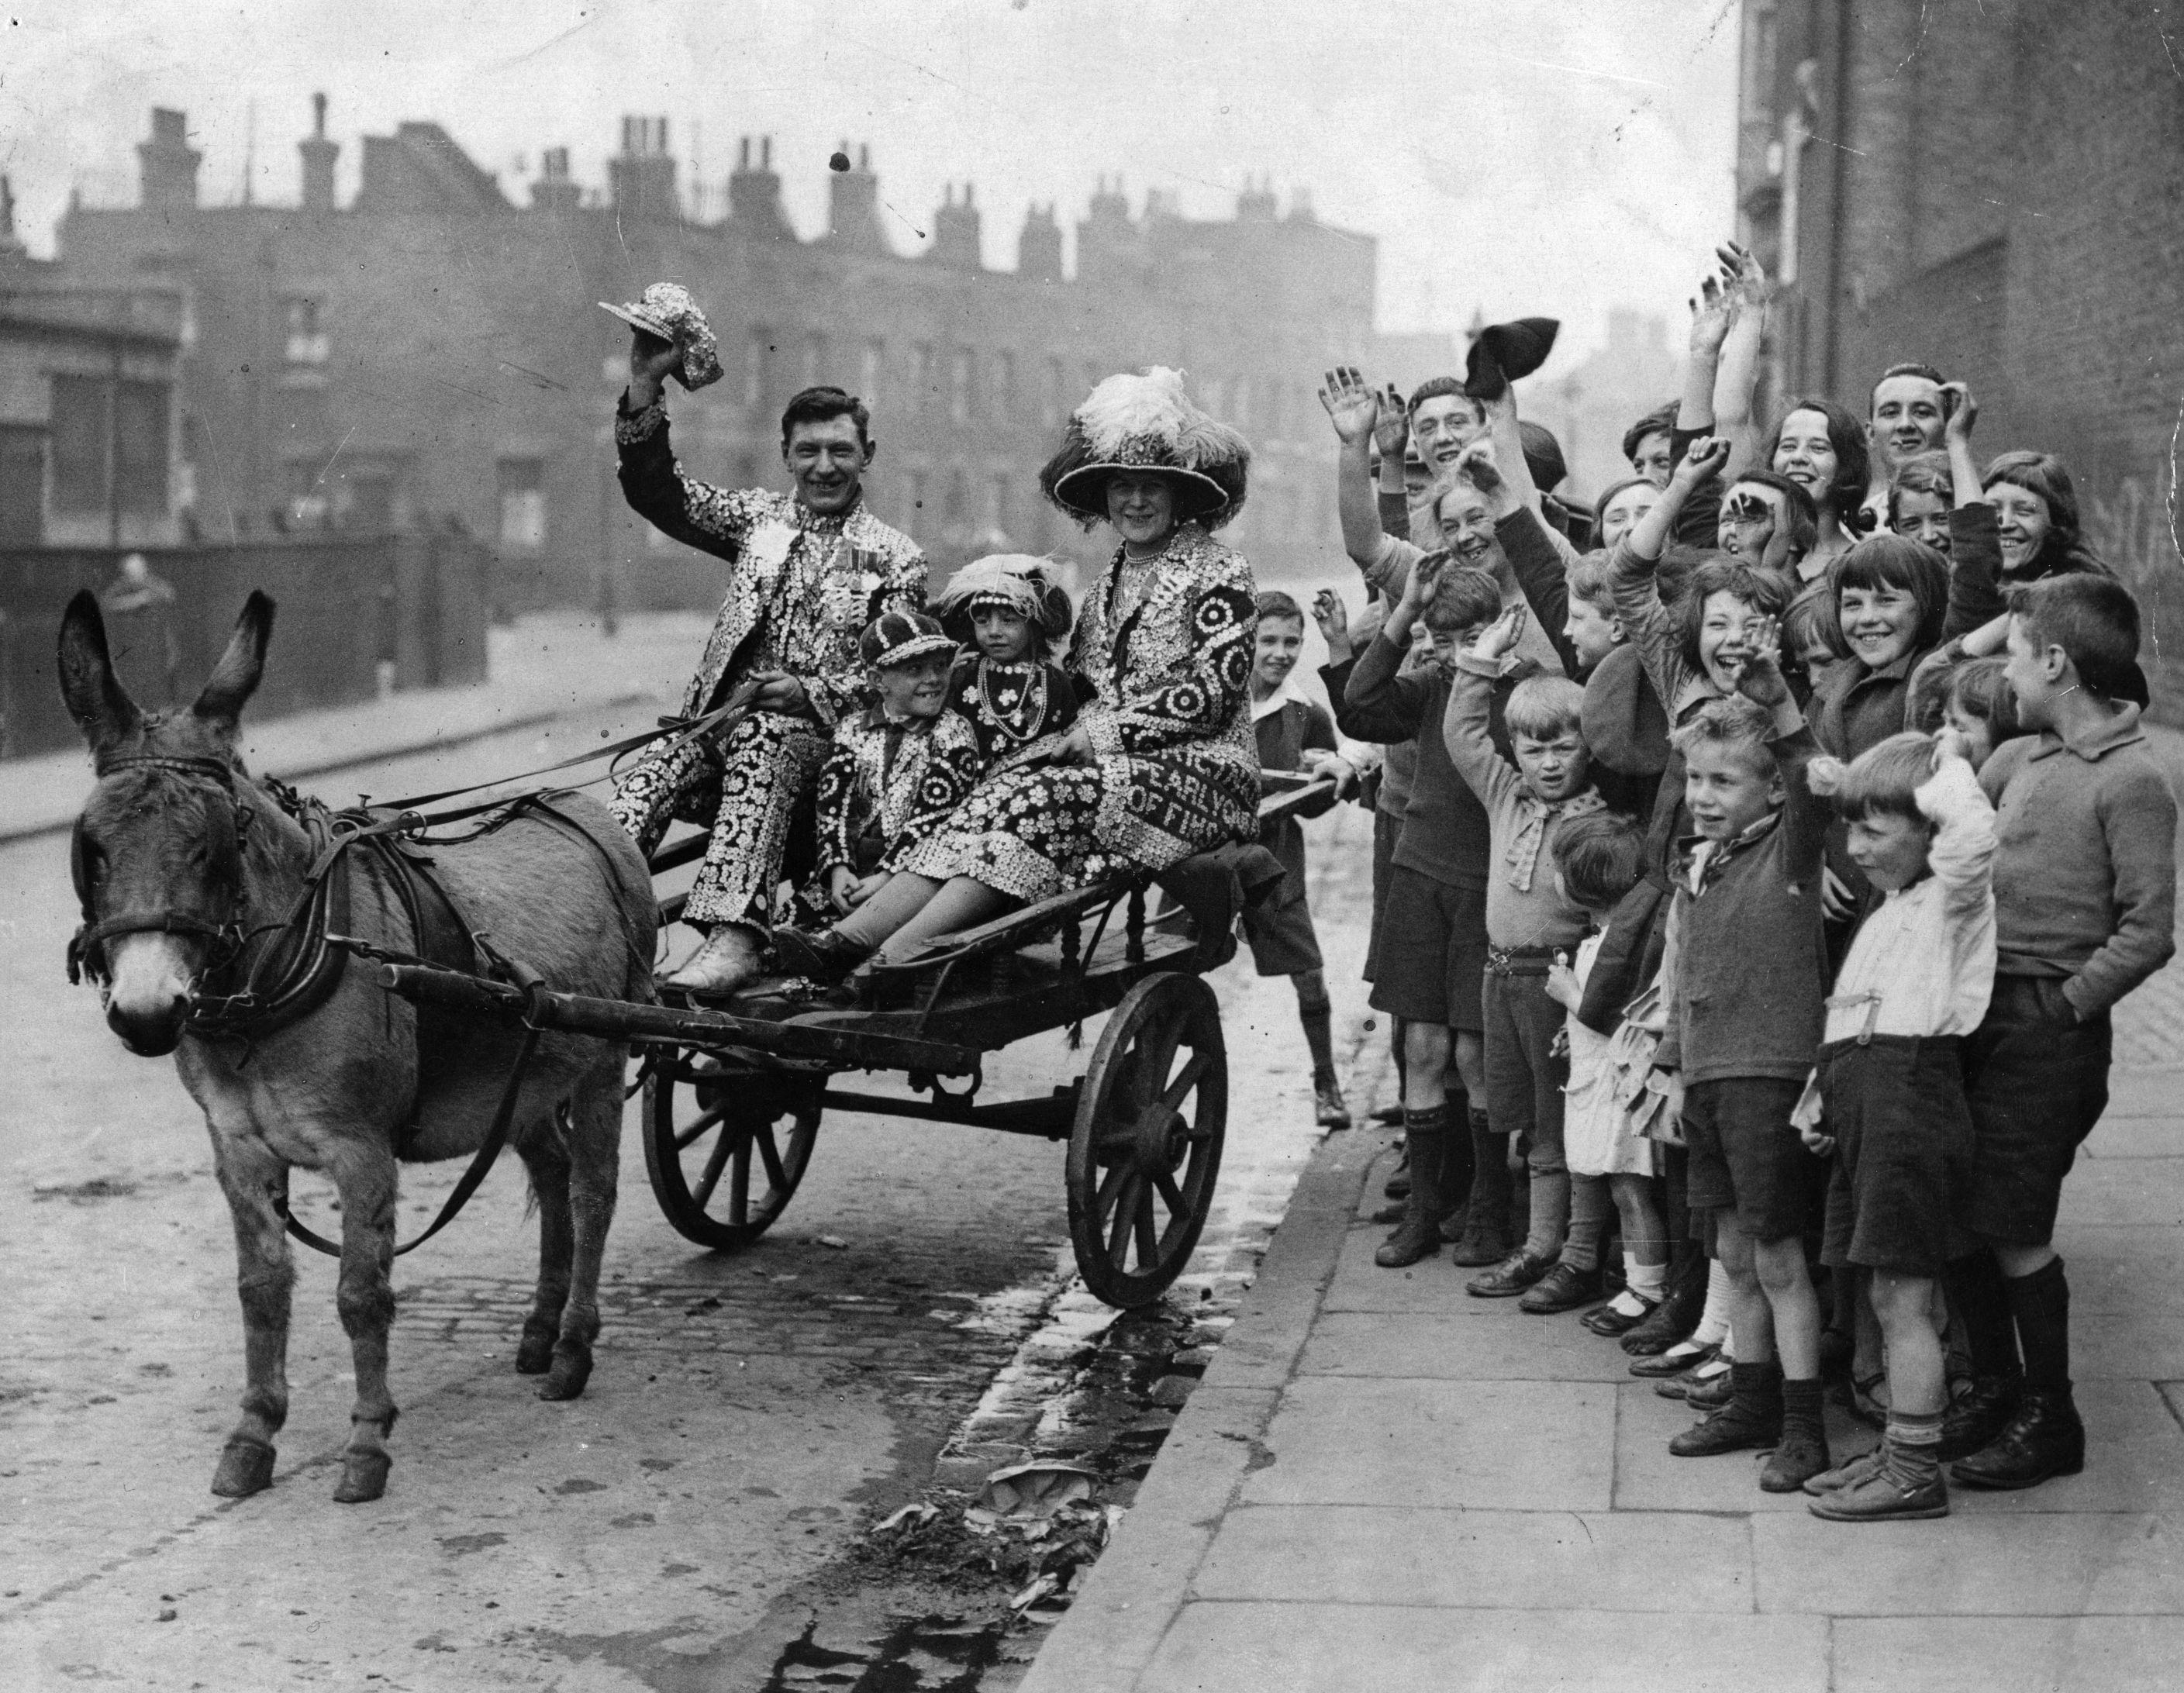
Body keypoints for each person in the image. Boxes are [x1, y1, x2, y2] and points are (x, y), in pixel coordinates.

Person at [774, 367, 1259, 979]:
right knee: (989, 795)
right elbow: (1082, 683)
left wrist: (1102, 736)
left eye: (1151, 488)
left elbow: (1212, 693)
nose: (1135, 502)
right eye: (1121, 488)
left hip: (1206, 770)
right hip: (1110, 761)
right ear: (1104, 497)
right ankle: (847, 940)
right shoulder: (1111, 576)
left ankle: (890, 962)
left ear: (1179, 494)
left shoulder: (1220, 570)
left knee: (1034, 799)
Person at [1940, 575, 2176, 1491]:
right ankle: (1992, 1388)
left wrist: (2066, 1004)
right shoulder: (2021, 760)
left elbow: (2148, 930)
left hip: (2049, 1030)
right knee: (1965, 1207)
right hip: (1977, 1011)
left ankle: (2052, 1415)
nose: (2002, 667)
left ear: (2055, 663)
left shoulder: (2135, 779)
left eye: (2015, 649)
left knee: (2015, 1222)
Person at [611, 329, 926, 995]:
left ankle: (736, 938)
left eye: (841, 451)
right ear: (785, 455)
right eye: (807, 451)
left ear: (867, 456)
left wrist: (808, 692)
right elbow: (657, 494)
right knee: (651, 771)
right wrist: (645, 387)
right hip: (722, 735)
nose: (824, 467)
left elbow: (897, 683)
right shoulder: (757, 522)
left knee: (765, 737)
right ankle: (588, 911)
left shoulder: (896, 556)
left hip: (832, 761)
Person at [1795, 727, 1996, 1521]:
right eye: (1852, 828)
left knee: (1907, 1294)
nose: (1857, 847)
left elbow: (1974, 835)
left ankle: (1915, 1471)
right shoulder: (1895, 908)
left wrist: (1947, 769)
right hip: (1868, 1093)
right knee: (1884, 1289)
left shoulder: (1955, 893)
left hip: (1910, 1095)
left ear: (1932, 832)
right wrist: (1822, 1093)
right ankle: (1896, 1453)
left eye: (1876, 830)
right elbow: (1857, 1012)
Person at [1657, 619, 1834, 1493]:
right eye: (1695, 778)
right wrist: (1674, 1057)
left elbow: (1815, 785)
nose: (1702, 794)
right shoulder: (1707, 863)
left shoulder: (1792, 854)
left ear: (1766, 792)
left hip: (1769, 1074)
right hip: (1711, 1076)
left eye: (1724, 780)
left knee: (1777, 1254)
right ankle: (1754, 1397)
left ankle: (1804, 1424)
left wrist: (1778, 703)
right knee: (1732, 1250)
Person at [1340, 559, 1520, 1268]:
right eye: (1442, 640)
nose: (1457, 652)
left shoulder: (1523, 693)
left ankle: (1485, 1208)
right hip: (1420, 874)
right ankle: (1423, 1211)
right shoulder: (1428, 686)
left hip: (1487, 885)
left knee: (1476, 1053)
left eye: (1471, 635)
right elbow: (1357, 705)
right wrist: (1400, 613)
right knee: (1422, 1049)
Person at [1441, 605, 1609, 1307]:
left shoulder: (1600, 820)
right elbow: (1461, 733)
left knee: (1566, 1123)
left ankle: (1574, 1254)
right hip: (1500, 977)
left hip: (1557, 985)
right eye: (1532, 749)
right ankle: (1538, 1245)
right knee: (1529, 1126)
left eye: (1562, 748)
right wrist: (1479, 659)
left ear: (1586, 749)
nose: (1546, 763)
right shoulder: (1505, 796)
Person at [1544, 812, 1667, 1333]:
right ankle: (1642, 1280)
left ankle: (1647, 1289)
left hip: (1617, 1089)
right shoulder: (1602, 940)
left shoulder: (1612, 950)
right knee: (1619, 1186)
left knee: (1630, 1188)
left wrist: (1571, 997)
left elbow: (1620, 1018)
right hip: (1596, 1081)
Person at [785, 612, 985, 931]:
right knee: (784, 932)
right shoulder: (852, 730)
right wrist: (838, 869)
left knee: (856, 939)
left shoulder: (953, 733)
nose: (933, 679)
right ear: (878, 681)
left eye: (939, 666)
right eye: (914, 669)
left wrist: (887, 876)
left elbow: (933, 819)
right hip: (853, 874)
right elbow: (834, 808)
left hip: (912, 878)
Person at [1244, 590, 1360, 1129]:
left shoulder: (1306, 715)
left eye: (1292, 641)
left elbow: (1314, 808)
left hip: (1273, 859)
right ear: (1244, 641)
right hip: (1209, 855)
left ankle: (1325, 1080)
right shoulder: (1214, 704)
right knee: (1166, 963)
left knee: (1309, 976)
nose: (1280, 653)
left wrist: (1324, 775)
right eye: (1267, 640)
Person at [927, 553, 1079, 763]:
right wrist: (947, 682)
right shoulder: (965, 675)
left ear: (1033, 625)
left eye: (1008, 621)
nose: (994, 632)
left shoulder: (1053, 682)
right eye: (982, 621)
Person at [1768, 397, 1870, 578]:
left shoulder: (1864, 564)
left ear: (1847, 465)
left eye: (1818, 448)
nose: (1798, 457)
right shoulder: (1747, 550)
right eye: (1788, 446)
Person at [1860, 362, 1952, 529]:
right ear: (1871, 433)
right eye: (1890, 413)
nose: (1905, 424)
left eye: (1922, 412)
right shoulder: (1857, 528)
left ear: (1949, 429)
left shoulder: (1976, 505)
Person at [98, 552, 181, 712]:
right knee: (131, 686)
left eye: (139, 570)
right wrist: (134, 601)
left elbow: (169, 594)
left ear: (145, 569)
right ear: (126, 573)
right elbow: (106, 604)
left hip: (153, 646)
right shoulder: (121, 586)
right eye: (131, 572)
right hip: (129, 647)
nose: (135, 575)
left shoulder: (153, 583)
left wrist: (148, 596)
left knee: (156, 687)